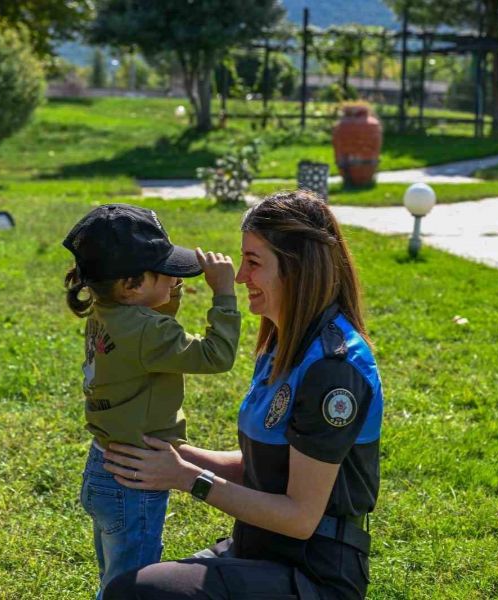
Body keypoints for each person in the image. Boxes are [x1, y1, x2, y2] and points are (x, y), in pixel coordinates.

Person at [100, 191, 384, 600]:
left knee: (138, 593)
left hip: (314, 574)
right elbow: (266, 468)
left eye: (253, 262)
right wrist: (170, 452)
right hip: (259, 549)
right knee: (137, 587)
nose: (239, 277)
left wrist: (186, 478)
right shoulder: (283, 343)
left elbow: (301, 517)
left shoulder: (333, 371)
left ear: (297, 268)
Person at [62, 203, 241, 599]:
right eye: (166, 272)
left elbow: (151, 336)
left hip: (104, 466)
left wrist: (166, 297)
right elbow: (217, 356)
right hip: (134, 480)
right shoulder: (146, 331)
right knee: (134, 588)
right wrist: (224, 294)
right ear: (132, 285)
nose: (174, 277)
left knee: (115, 580)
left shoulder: (106, 309)